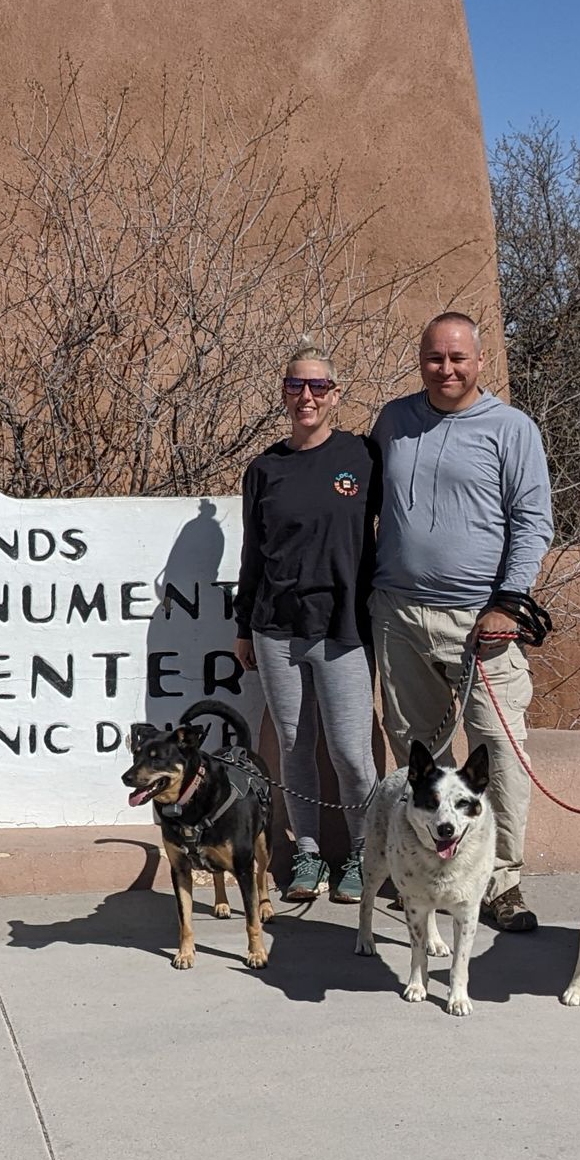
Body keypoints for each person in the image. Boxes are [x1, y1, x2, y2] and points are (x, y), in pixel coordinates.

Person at [369, 312, 553, 932]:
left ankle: (500, 881)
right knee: (415, 749)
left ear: (480, 361)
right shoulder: (394, 421)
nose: (446, 369)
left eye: (458, 358)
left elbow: (532, 523)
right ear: (420, 360)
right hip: (397, 612)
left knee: (498, 750)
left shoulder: (511, 429)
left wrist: (508, 602)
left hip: (482, 622)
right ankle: (421, 873)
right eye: (434, 358)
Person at [234, 340, 382, 903]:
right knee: (294, 742)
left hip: (343, 626)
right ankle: (310, 853)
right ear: (283, 394)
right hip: (276, 627)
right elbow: (253, 552)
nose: (307, 397)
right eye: (296, 386)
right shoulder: (264, 469)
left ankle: (365, 853)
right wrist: (244, 626)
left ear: (336, 394)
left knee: (349, 749)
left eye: (318, 386)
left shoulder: (364, 457)